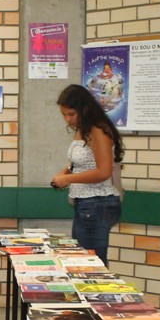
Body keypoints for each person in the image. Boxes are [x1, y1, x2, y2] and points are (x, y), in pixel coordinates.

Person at [50, 84, 124, 265]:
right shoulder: (82, 130)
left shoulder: (98, 130)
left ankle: (98, 295)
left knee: (92, 266)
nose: (67, 119)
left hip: (98, 203)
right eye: (64, 114)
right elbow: (79, 163)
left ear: (84, 109)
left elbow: (104, 171)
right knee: (82, 262)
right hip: (85, 203)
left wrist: (67, 179)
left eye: (72, 114)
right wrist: (63, 173)